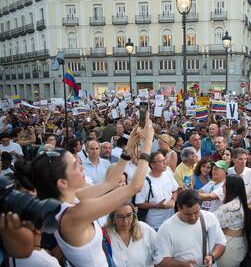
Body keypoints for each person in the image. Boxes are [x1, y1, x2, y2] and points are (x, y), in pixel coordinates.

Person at [14, 112, 154, 266]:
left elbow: (110, 182)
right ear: (62, 183)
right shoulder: (74, 214)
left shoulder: (70, 200)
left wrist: (129, 146)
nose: (81, 167)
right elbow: (135, 186)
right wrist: (147, 144)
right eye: (75, 165)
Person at [154, 189, 226, 267]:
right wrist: (182, 265)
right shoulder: (166, 228)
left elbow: (221, 243)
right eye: (187, 214)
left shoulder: (210, 218)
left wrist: (212, 256)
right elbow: (159, 260)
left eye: (196, 212)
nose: (193, 218)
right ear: (178, 208)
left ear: (200, 206)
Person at [136, 151, 178, 230]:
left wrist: (173, 200)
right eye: (161, 161)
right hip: (154, 225)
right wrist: (157, 206)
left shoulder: (168, 173)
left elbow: (175, 190)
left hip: (171, 221)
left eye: (164, 160)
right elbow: (139, 203)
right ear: (152, 165)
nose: (165, 162)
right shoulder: (145, 181)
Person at [215, 175, 251, 266]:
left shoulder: (230, 207)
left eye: (224, 185)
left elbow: (212, 223)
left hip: (229, 247)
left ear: (231, 188)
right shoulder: (239, 202)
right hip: (237, 244)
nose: (222, 188)